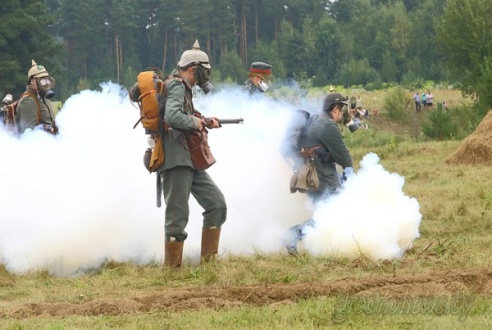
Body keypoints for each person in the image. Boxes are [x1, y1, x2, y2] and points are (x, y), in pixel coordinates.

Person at [159, 40, 227, 267]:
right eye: (202, 71)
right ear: (192, 69)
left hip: (189, 157)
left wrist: (204, 120)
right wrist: (196, 123)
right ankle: (172, 271)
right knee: (177, 218)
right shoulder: (177, 85)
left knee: (216, 204)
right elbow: (172, 117)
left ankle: (209, 266)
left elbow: (184, 117)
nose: (203, 76)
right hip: (177, 159)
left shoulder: (182, 88)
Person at [284, 93, 354, 255]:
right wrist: (352, 180)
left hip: (309, 173)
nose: (343, 113)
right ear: (336, 109)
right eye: (342, 109)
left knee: (325, 213)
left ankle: (320, 244)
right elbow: (344, 158)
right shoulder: (328, 126)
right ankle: (293, 235)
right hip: (322, 175)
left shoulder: (315, 119)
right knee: (331, 212)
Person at [16, 60, 58, 134]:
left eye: (46, 79)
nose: (44, 83)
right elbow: (28, 133)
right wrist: (47, 129)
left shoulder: (42, 98)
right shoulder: (28, 101)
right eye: (40, 80)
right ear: (31, 81)